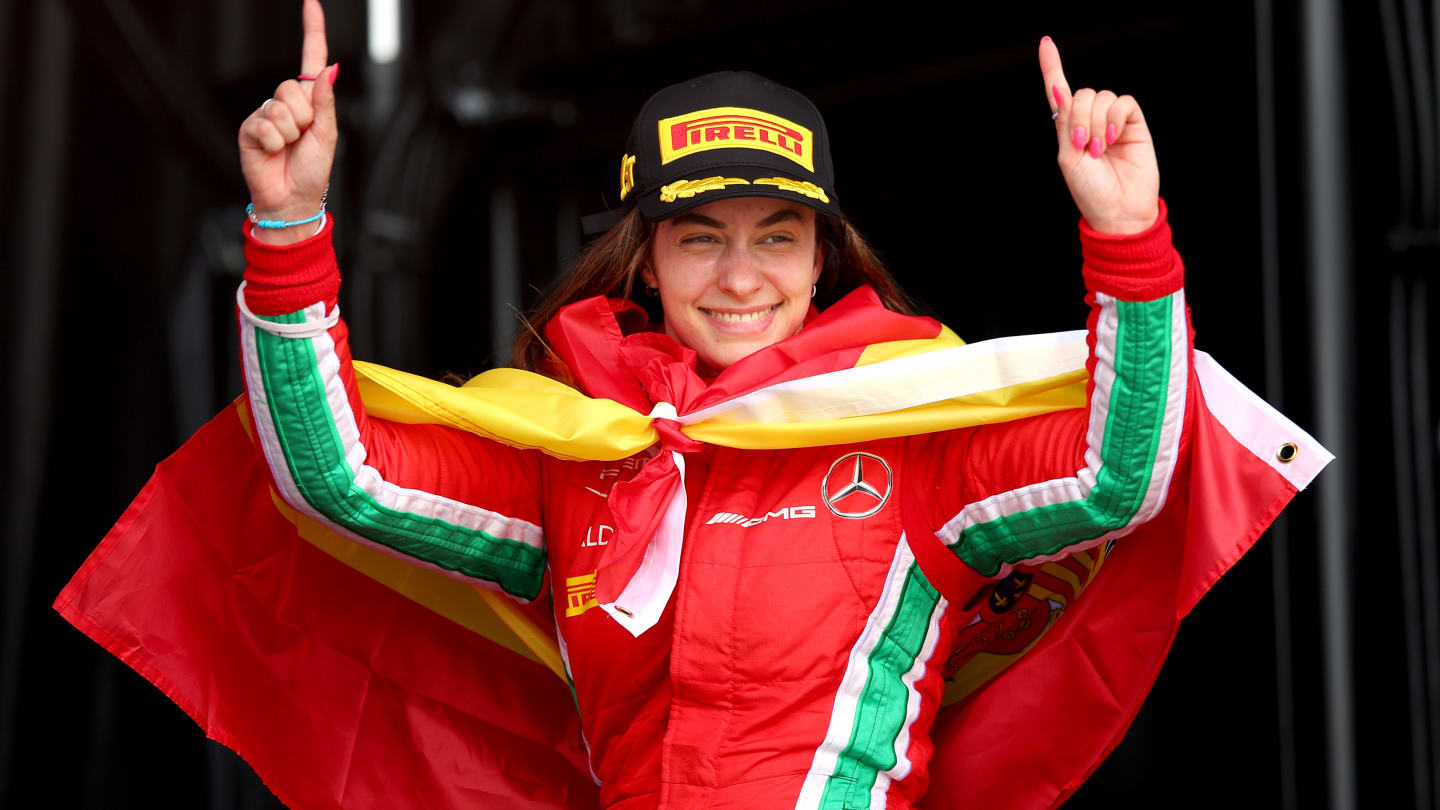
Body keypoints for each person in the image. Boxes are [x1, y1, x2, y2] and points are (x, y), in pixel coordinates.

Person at [233, 2, 1186, 808]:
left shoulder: (915, 437)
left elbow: (1116, 482)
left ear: (822, 262)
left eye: (778, 237)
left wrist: (1127, 234)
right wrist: (288, 226)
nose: (740, 276)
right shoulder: (580, 454)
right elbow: (343, 478)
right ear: (646, 260)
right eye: (699, 237)